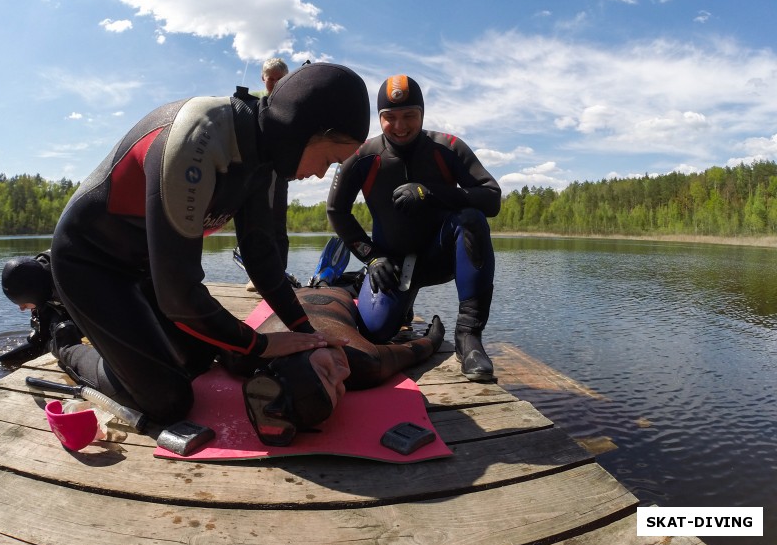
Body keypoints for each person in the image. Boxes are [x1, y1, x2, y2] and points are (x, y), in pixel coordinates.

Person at [50, 62, 371, 426]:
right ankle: (65, 345)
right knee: (167, 399)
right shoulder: (198, 138)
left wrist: (309, 335)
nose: (319, 173)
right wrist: (261, 345)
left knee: (200, 359)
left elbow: (262, 259)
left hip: (146, 268)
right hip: (89, 262)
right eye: (329, 159)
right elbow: (179, 298)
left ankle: (127, 345)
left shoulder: (265, 158)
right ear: (302, 129)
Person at [327, 74, 501, 383]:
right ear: (379, 117)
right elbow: (336, 211)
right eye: (389, 118)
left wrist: (430, 192)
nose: (401, 125)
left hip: (438, 257)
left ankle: (469, 338)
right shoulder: (363, 156)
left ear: (422, 113)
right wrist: (371, 256)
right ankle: (389, 301)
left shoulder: (447, 147)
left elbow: (491, 199)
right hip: (391, 265)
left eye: (410, 115)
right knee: (375, 331)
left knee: (472, 218)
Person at [238, 286, 444, 446]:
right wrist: (435, 336)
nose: (344, 373)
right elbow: (416, 349)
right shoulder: (364, 363)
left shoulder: (246, 355)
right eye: (339, 390)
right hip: (339, 297)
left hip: (297, 295)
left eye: (327, 372)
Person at [245, 57, 292, 291]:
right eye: (270, 79)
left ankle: (278, 275)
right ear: (263, 78)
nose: (273, 83)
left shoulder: (293, 103)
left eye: (279, 79)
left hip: (277, 172)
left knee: (276, 225)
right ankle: (256, 275)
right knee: (253, 222)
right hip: (253, 172)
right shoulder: (253, 101)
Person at [0, 251, 79, 364]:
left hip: (88, 300)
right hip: (54, 297)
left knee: (64, 330)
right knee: (45, 330)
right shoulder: (34, 275)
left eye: (24, 304)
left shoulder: (69, 282)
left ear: (35, 295)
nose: (21, 309)